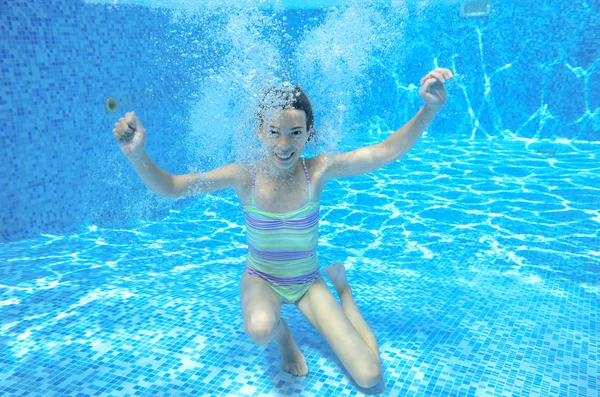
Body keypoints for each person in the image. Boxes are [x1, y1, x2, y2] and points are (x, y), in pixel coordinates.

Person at [112, 67, 453, 389]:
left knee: (369, 376)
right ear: (260, 131)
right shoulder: (244, 175)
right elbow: (171, 186)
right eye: (274, 132)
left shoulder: (317, 171)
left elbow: (382, 152)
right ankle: (285, 336)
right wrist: (137, 155)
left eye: (295, 133)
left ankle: (344, 290)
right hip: (262, 278)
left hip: (307, 283)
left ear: (309, 134)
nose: (284, 144)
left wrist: (429, 110)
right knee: (260, 329)